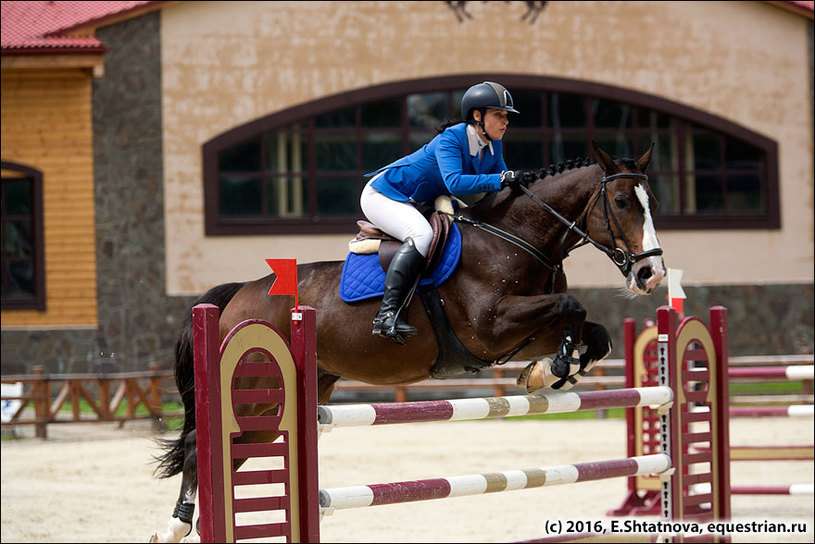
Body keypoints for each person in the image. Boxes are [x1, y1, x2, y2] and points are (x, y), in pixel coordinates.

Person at [360, 81, 537, 344]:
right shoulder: (451, 138)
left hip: (419, 200)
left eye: (506, 116)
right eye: (499, 115)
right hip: (385, 194)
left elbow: (498, 188)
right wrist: (503, 179)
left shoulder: (493, 144)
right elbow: (455, 182)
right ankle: (386, 315)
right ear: (477, 116)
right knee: (421, 235)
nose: (505, 121)